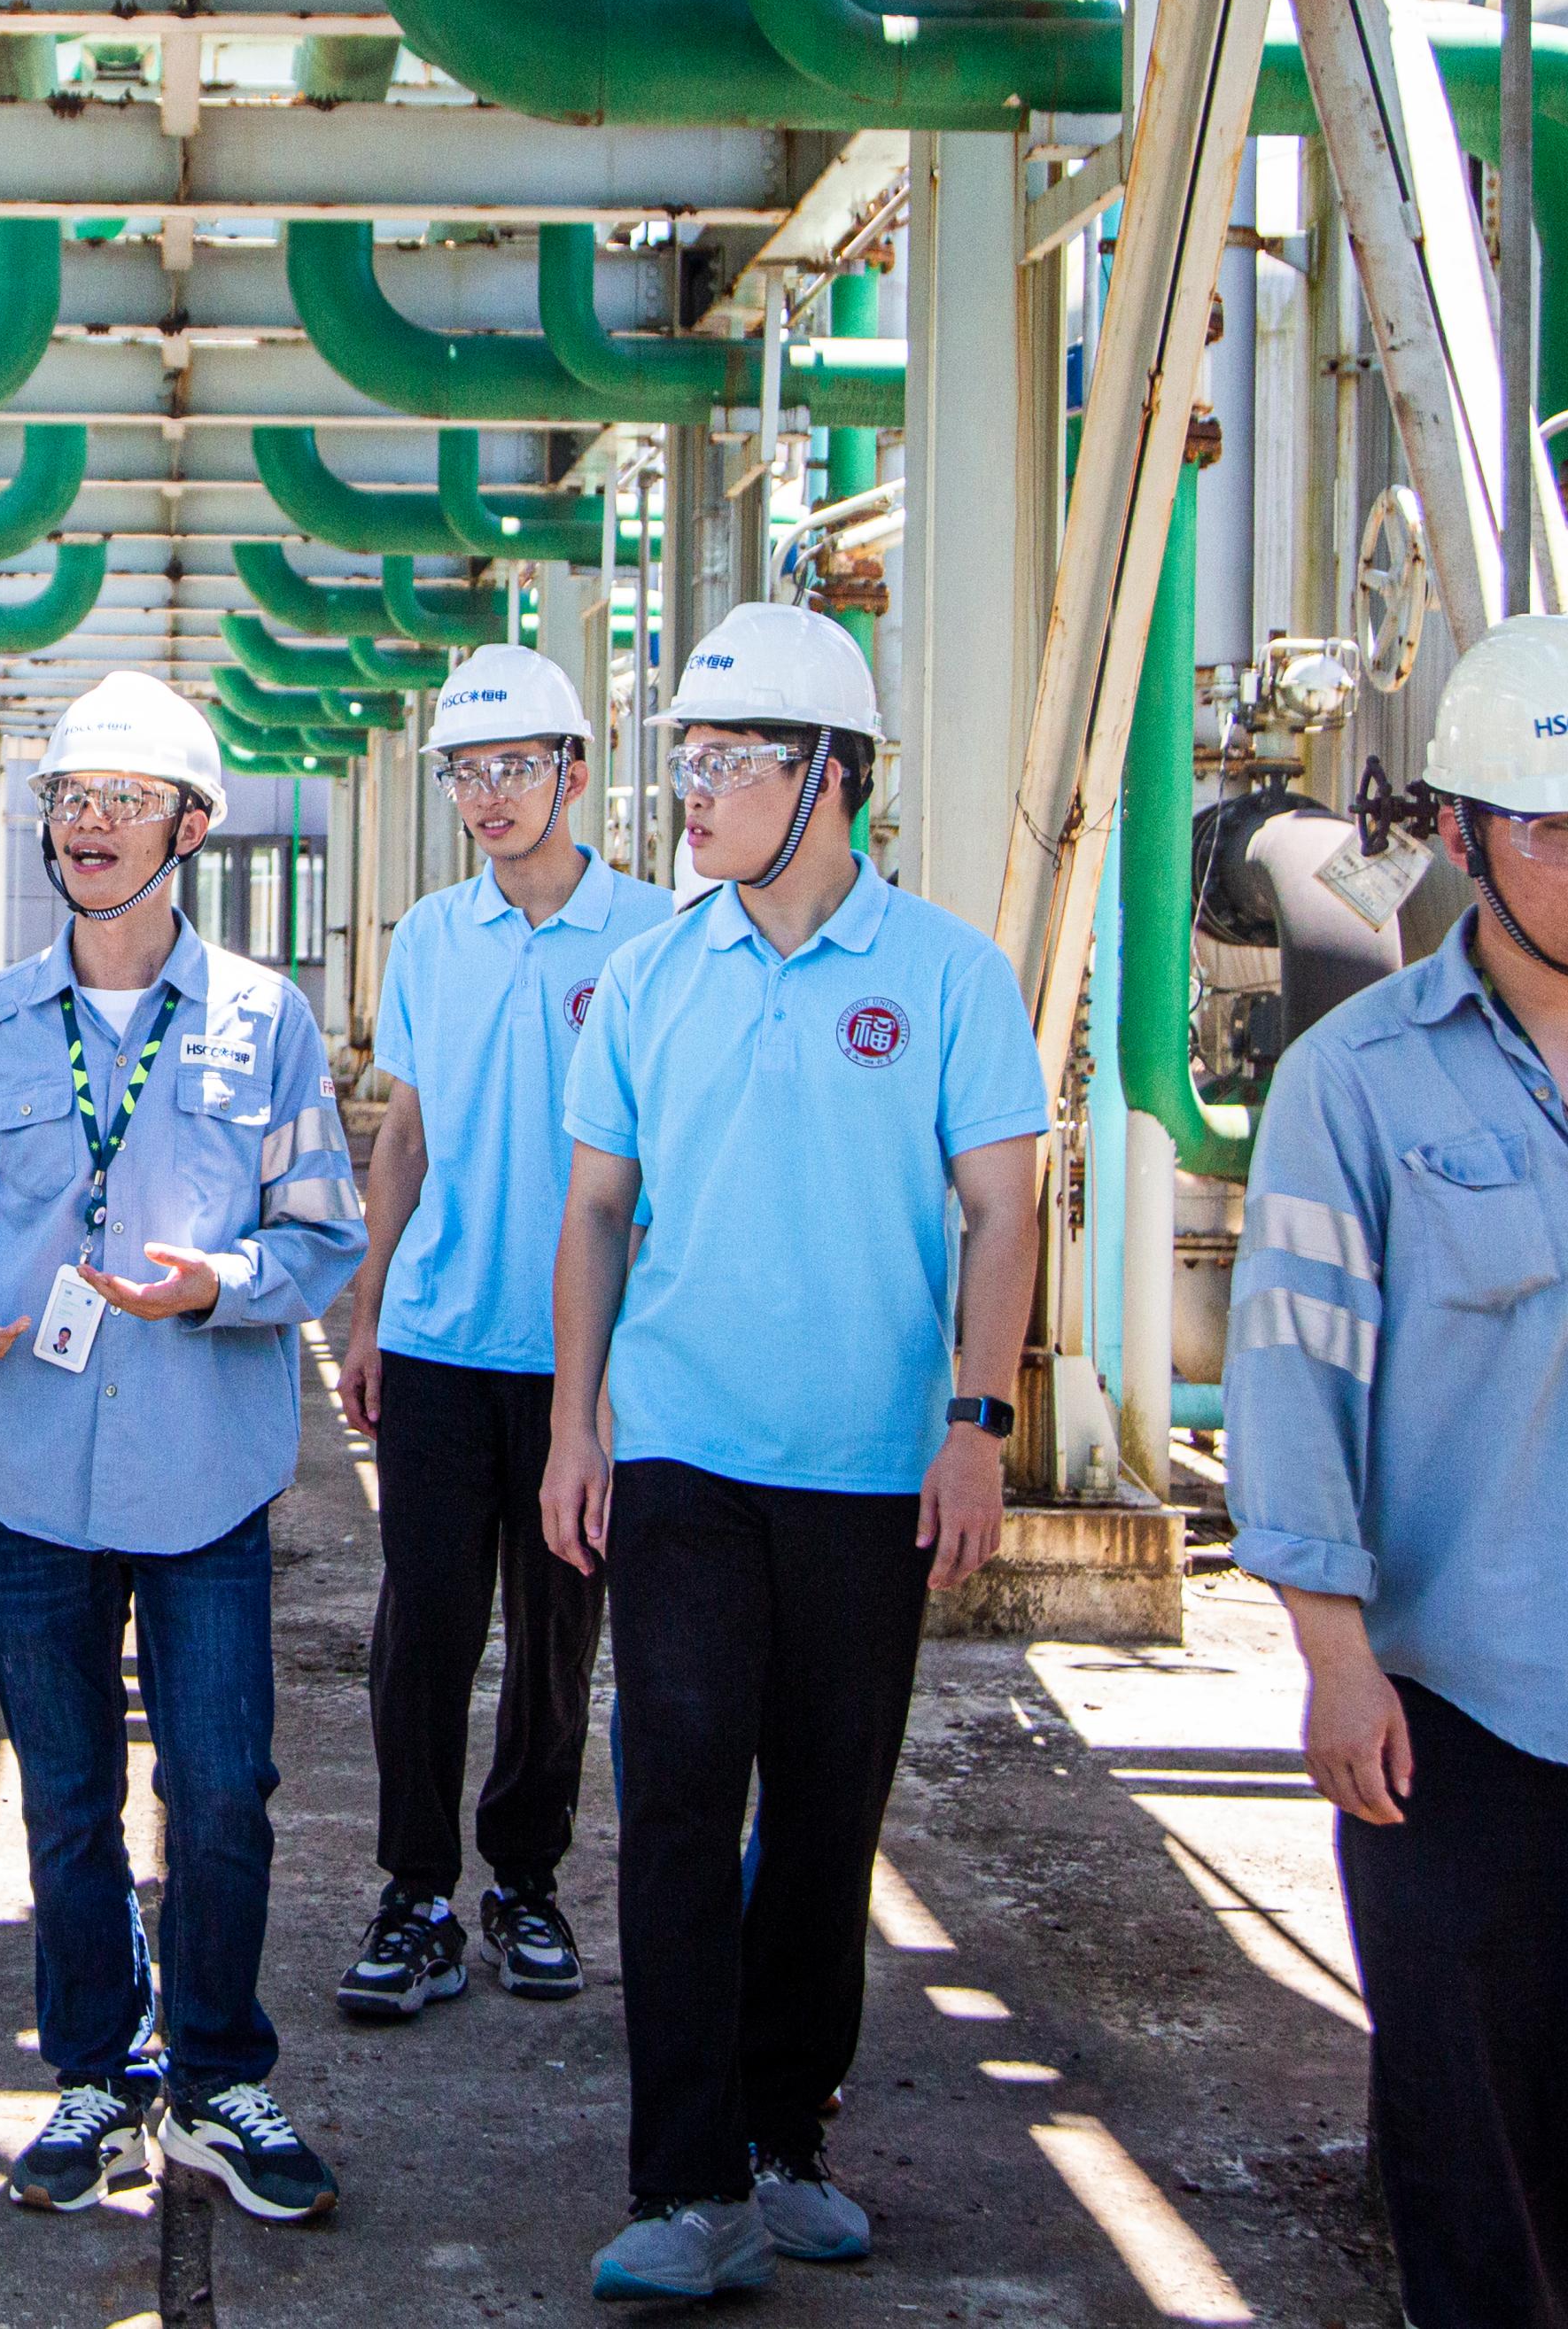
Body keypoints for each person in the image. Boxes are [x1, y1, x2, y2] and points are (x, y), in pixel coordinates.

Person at [1226, 613, 1568, 2329]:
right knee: (1474, 2164)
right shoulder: (1355, 1084)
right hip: (1468, 1710)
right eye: (1565, 825)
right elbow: (1293, 1377)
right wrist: (1330, 1659)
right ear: (1464, 835)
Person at [540, 603, 1044, 2302]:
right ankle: (685, 2184)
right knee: (676, 1805)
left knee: (829, 1820)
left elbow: (1001, 1210)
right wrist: (575, 1427)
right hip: (683, 1454)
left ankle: (782, 2140)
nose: (689, 789)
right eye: (681, 758)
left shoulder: (949, 977)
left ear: (828, 775)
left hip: (869, 1471)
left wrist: (977, 1427)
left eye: (726, 761)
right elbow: (595, 1212)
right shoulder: (650, 976)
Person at [0, 672, 366, 2226]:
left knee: (221, 1789)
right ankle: (94, 2069)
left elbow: (323, 1231)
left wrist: (224, 1282)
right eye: (70, 801)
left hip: (206, 1474)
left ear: (189, 829)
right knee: (67, 1799)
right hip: (29, 1468)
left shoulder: (265, 1021)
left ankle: (216, 2078)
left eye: (123, 803)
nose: (88, 826)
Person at [333, 644, 672, 2022]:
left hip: (577, 1362)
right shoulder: (431, 934)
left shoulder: (655, 933)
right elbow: (404, 1134)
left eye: (515, 767)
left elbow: (665, 1162)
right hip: (436, 1340)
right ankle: (415, 1892)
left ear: (574, 773)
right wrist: (368, 1307)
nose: (488, 794)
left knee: (555, 1635)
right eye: (466, 772)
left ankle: (524, 1881)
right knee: (420, 1628)